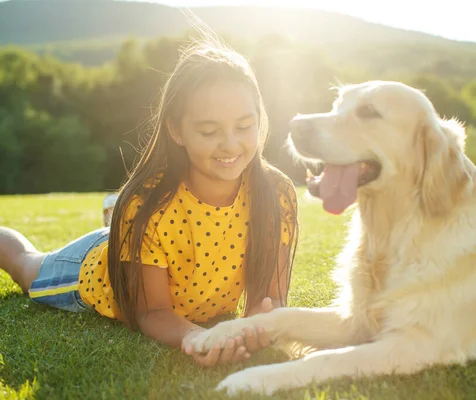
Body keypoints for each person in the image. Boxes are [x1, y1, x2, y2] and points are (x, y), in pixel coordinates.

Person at [0, 34, 299, 368]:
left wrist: (259, 321)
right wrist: (197, 338)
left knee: (135, 220)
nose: (230, 144)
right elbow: (152, 312)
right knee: (25, 266)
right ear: (176, 131)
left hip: (145, 233)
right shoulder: (151, 207)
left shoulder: (275, 194)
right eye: (209, 131)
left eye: (244, 126)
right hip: (104, 275)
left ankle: (119, 223)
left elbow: (271, 297)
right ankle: (119, 228)